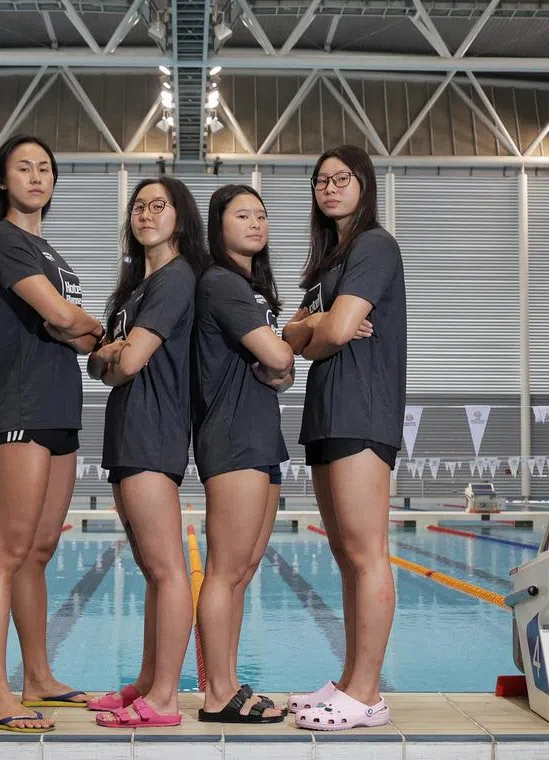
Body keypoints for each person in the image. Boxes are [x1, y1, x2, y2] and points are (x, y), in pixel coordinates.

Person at [0, 134, 103, 734]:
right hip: (21, 405)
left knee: (41, 551)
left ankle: (39, 677)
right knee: (10, 550)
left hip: (60, 410)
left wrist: (77, 327)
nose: (35, 176)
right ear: (2, 180)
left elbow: (75, 332)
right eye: (23, 167)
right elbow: (65, 320)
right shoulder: (3, 240)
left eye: (45, 168)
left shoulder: (50, 252)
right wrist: (81, 323)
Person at [281, 145, 405, 731]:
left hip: (363, 409)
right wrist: (319, 329)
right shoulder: (329, 261)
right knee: (344, 555)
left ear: (365, 185)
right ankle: (354, 679)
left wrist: (322, 329)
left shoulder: (375, 246)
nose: (329, 188)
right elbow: (294, 332)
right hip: (327, 412)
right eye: (321, 181)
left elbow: (326, 329)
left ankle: (366, 692)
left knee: (365, 553)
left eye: (341, 179)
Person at [86, 177, 209, 728]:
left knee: (167, 570)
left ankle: (164, 699)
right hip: (129, 430)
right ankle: (146, 682)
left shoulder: (176, 278)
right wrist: (109, 355)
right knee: (151, 569)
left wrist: (111, 354)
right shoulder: (137, 286)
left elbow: (126, 364)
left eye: (158, 205)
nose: (145, 213)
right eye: (138, 206)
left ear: (180, 217)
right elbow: (101, 366)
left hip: (153, 431)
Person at [192, 185, 291, 724]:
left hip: (259, 434)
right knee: (225, 571)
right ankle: (218, 693)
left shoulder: (254, 291)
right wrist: (285, 354)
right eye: (242, 215)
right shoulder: (222, 283)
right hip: (232, 437)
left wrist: (280, 361)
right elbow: (279, 357)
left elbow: (283, 371)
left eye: (262, 214)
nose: (256, 223)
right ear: (219, 224)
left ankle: (229, 682)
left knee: (244, 568)